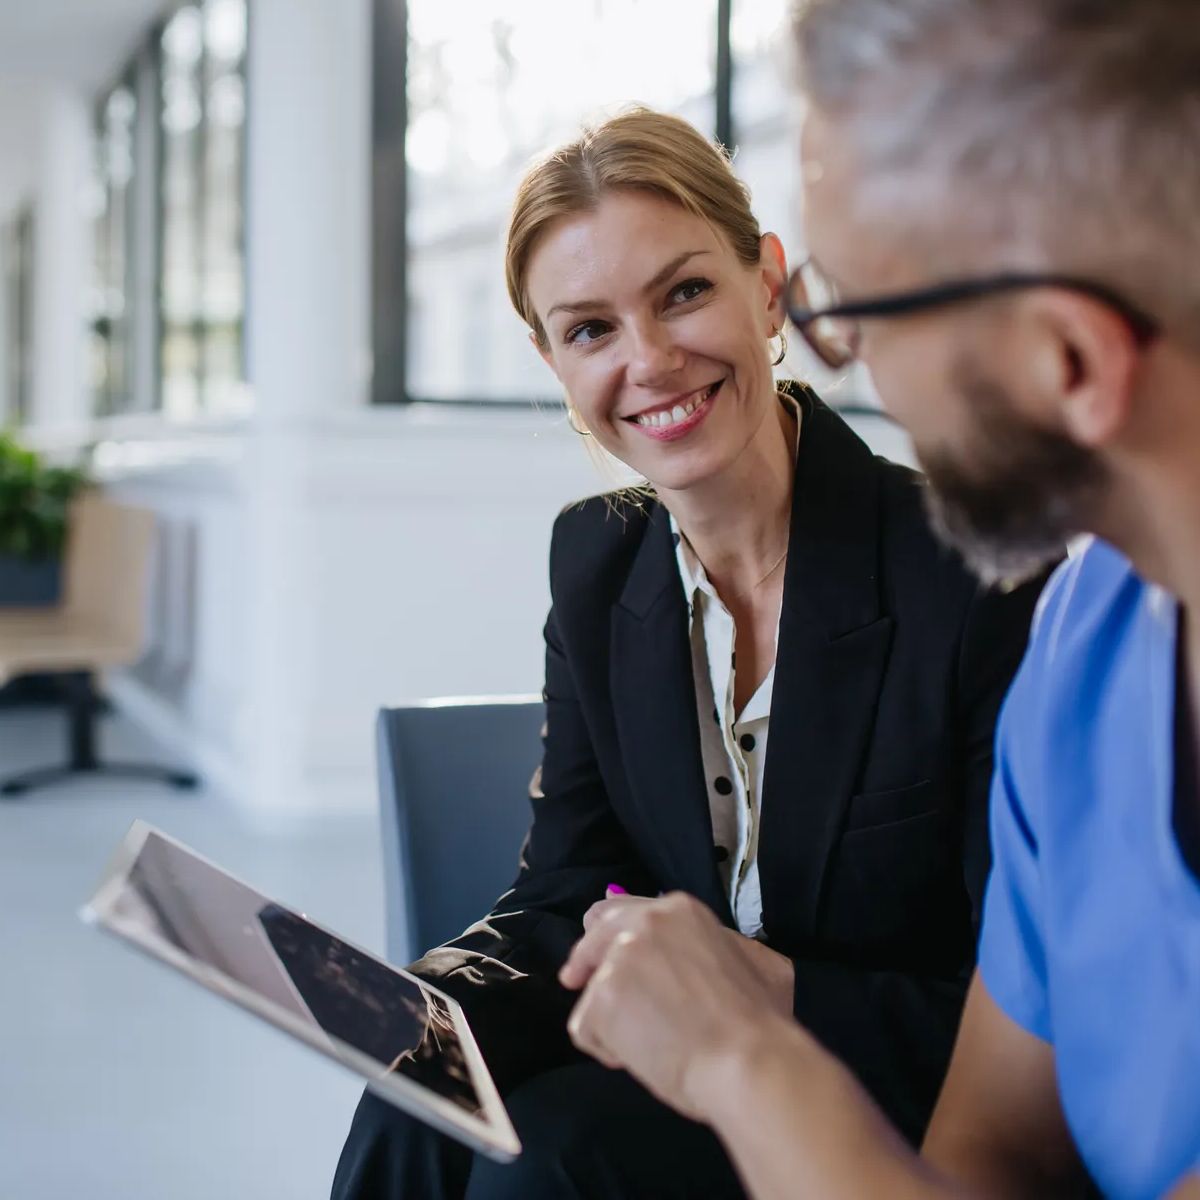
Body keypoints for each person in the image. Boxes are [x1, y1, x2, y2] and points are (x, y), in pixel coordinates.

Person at [332, 107, 1045, 1200]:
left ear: (766, 284)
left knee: (552, 1157)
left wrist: (768, 988)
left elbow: (1026, 1006)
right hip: (683, 1063)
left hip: (906, 1105)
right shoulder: (598, 561)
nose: (650, 361)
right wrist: (416, 1006)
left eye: (684, 293)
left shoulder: (975, 575)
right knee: (417, 1093)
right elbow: (572, 884)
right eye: (590, 330)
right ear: (551, 360)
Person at [558, 4, 1200, 1199]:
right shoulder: (1081, 650)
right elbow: (992, 1155)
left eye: (849, 308)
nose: (844, 362)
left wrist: (747, 1060)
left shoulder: (1000, 607)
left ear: (1067, 359)